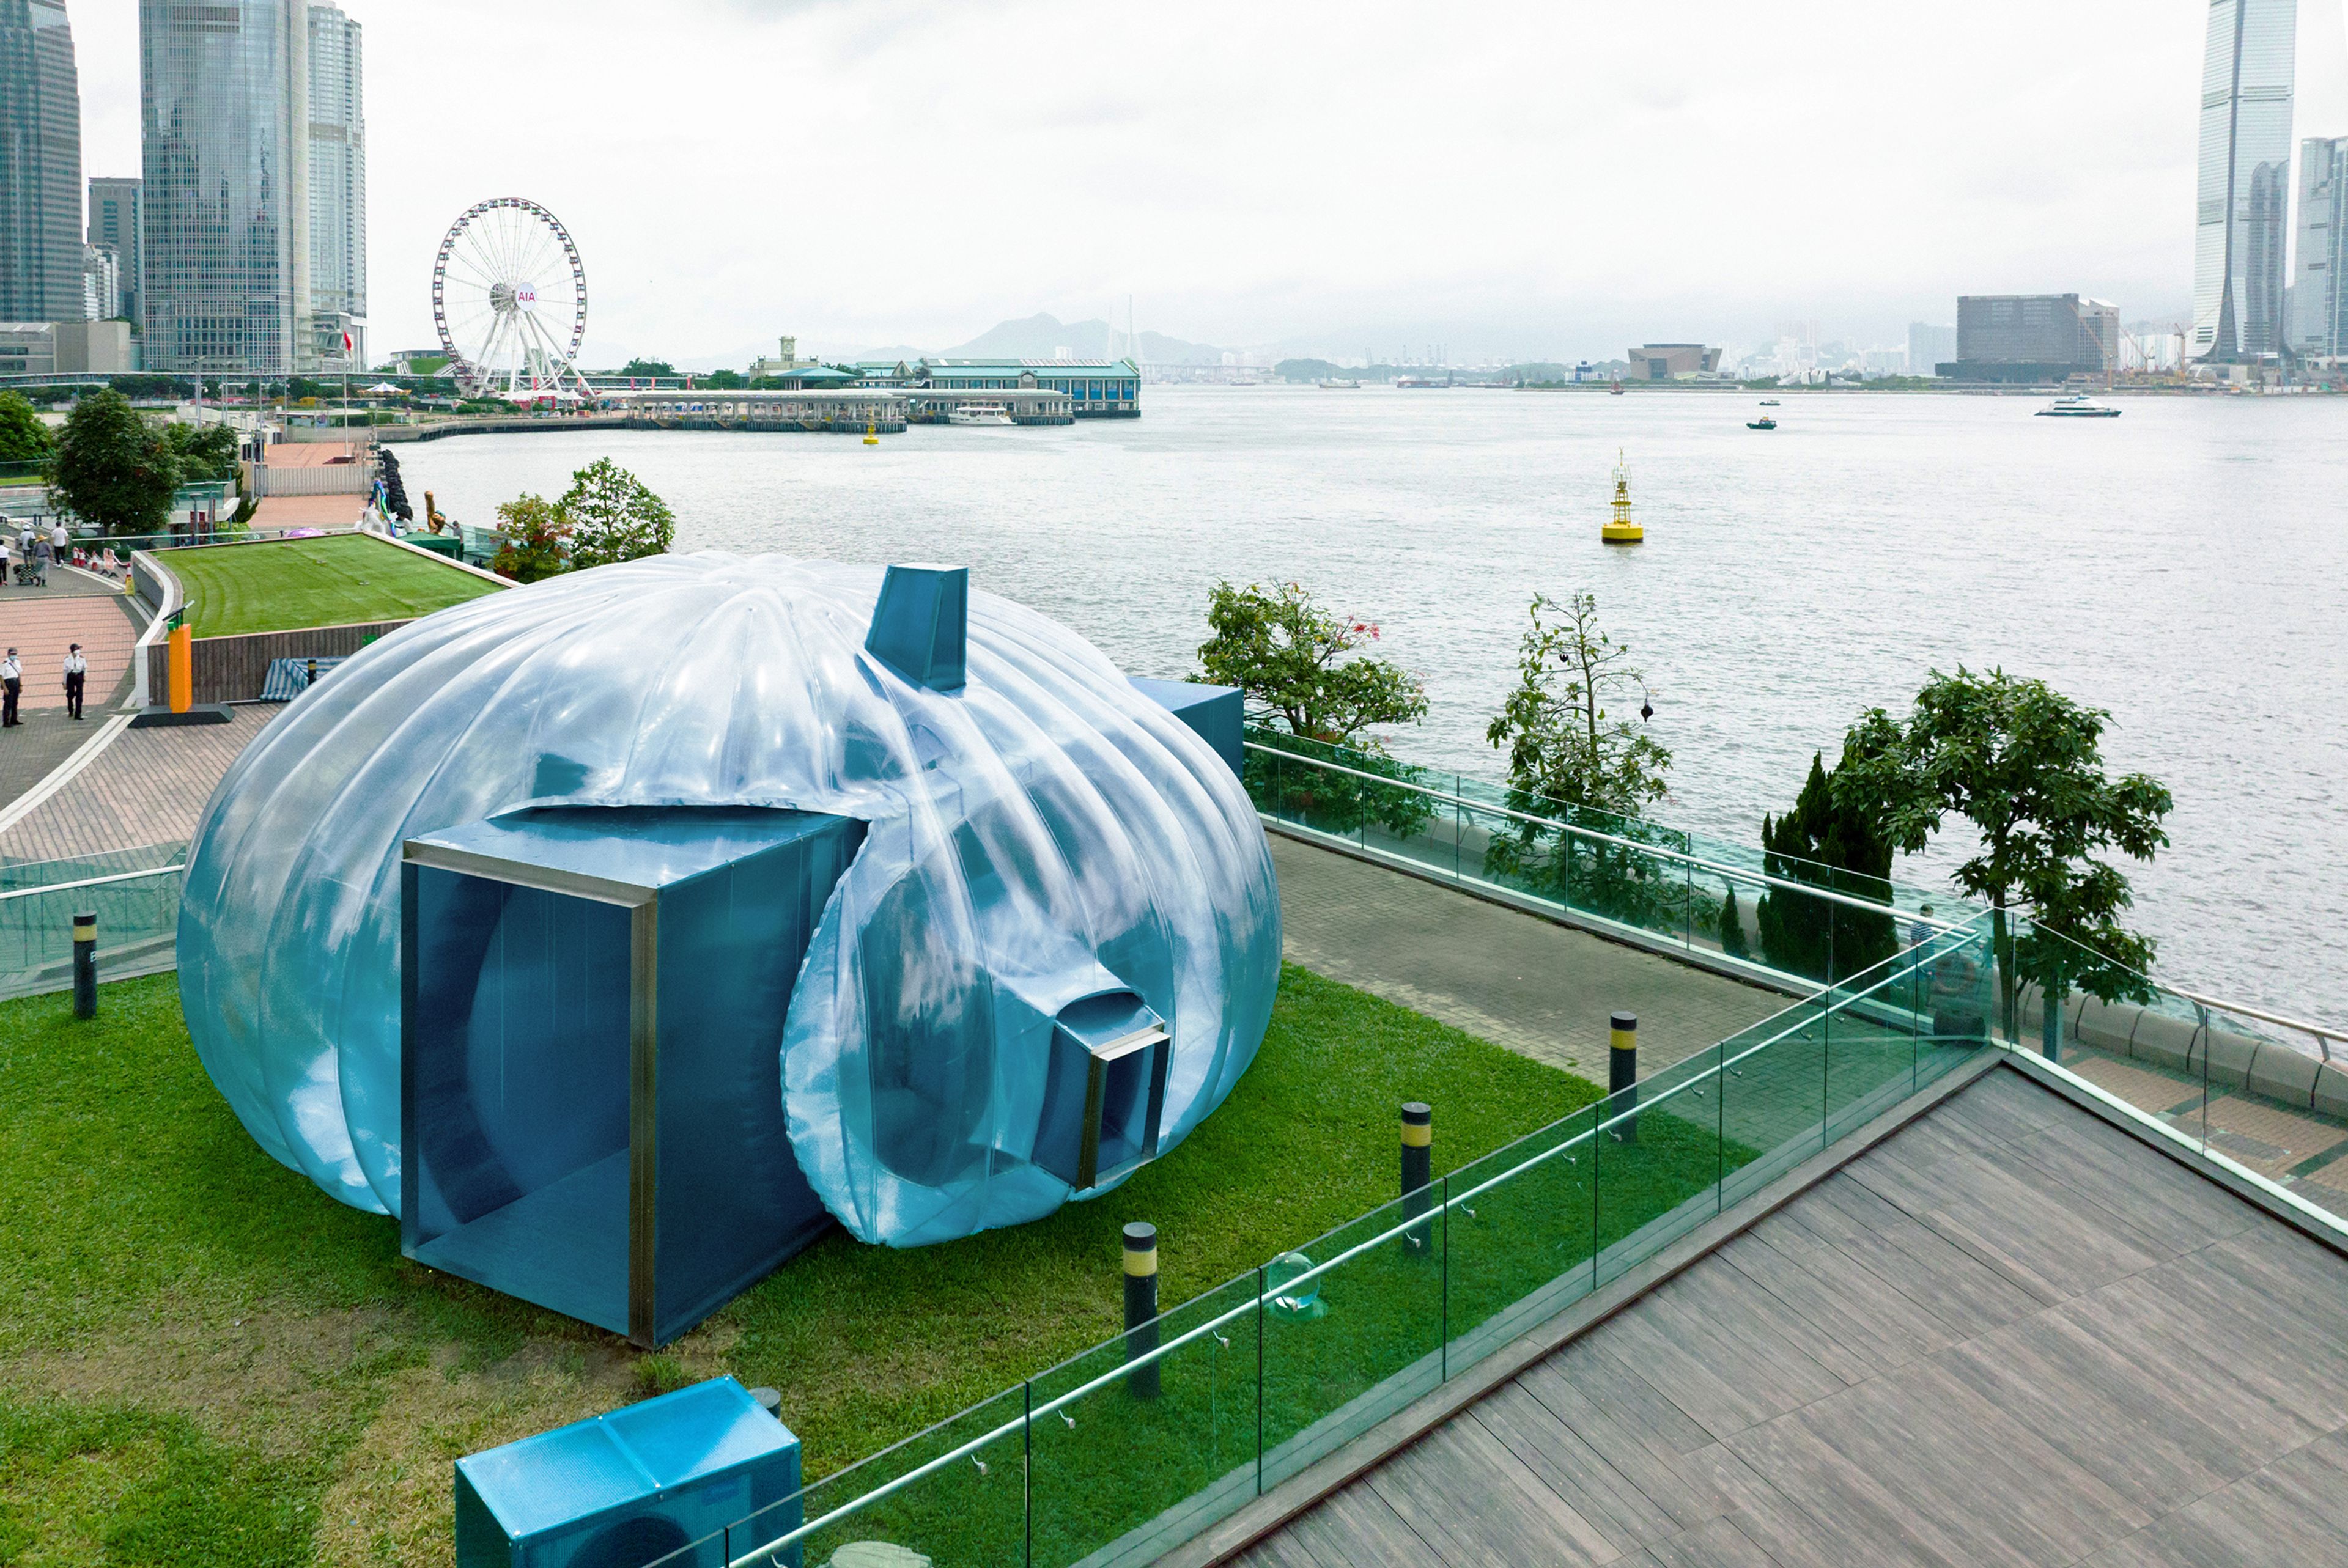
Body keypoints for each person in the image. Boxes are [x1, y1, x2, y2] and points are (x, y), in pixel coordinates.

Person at [62, 642, 86, 720]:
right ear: (73, 650)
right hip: (71, 677)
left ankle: (78, 714)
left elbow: (85, 668)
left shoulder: (82, 658)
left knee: (79, 696)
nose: (79, 651)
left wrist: (85, 676)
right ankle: (71, 710)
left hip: (79, 676)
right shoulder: (67, 660)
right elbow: (65, 672)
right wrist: (64, 683)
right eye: (77, 649)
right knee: (70, 695)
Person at [1, 647, 20, 727]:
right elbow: (1, 676)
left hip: (16, 682)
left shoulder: (17, 662)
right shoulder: (5, 664)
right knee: (8, 703)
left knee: (15, 702)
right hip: (8, 683)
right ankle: (6, 722)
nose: (14, 656)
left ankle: (14, 720)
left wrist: (21, 684)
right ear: (8, 654)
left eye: (15, 654)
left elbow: (19, 673)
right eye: (12, 654)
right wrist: (5, 688)